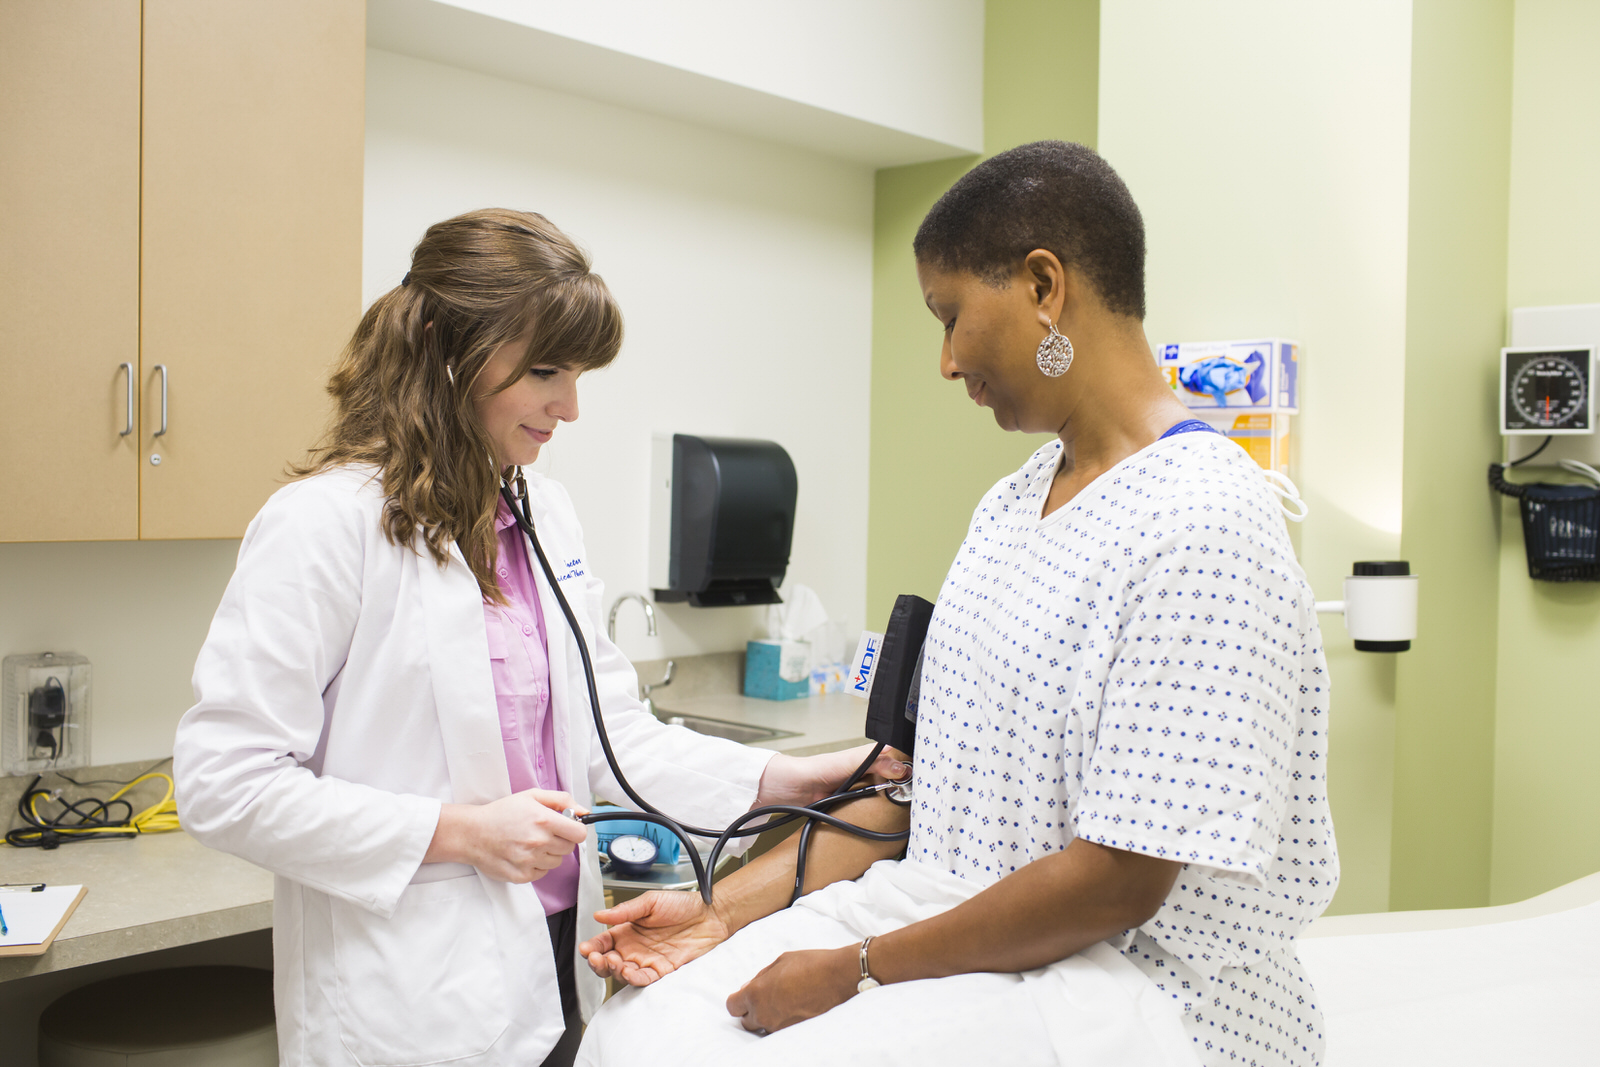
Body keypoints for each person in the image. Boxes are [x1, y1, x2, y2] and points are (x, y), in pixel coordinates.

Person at [575, 143, 1338, 1067]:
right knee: (643, 1030)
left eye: (950, 317)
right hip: (953, 922)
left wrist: (854, 968)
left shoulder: (1205, 523)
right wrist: (719, 912)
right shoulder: (1010, 507)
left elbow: (1117, 884)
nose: (943, 362)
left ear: (1043, 285)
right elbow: (914, 789)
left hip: (1139, 985)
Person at [172, 208, 901, 1067]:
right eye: (546, 370)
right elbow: (223, 783)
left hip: (554, 961)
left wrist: (794, 776)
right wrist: (459, 831)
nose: (571, 406)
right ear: (449, 352)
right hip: (403, 996)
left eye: (580, 372)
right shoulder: (325, 524)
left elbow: (614, 742)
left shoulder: (542, 514)